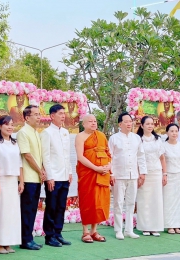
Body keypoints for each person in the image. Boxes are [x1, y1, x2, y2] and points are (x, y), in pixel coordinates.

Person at [0, 116, 24, 253]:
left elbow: (20, 164)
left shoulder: (15, 143)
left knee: (11, 214)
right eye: (6, 124)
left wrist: (21, 181)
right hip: (0, 180)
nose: (10, 127)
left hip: (12, 182)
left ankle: (8, 242)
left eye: (11, 124)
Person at [109, 112, 147, 240]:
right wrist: (111, 173)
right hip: (119, 175)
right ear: (120, 124)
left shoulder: (136, 138)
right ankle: (118, 229)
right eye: (126, 121)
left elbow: (141, 156)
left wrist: (142, 173)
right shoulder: (114, 138)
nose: (129, 123)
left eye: (130, 121)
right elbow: (110, 157)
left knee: (131, 203)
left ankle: (129, 230)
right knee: (118, 203)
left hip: (133, 175)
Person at [75, 114, 111, 243]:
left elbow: (108, 153)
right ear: (83, 124)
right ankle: (85, 232)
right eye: (90, 121)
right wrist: (96, 168)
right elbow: (80, 157)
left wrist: (108, 166)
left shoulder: (101, 136)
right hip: (88, 173)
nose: (93, 123)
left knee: (99, 202)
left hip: (102, 173)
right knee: (88, 200)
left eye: (95, 121)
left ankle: (94, 231)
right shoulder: (80, 136)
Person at [40, 104, 73, 247]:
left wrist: (70, 172)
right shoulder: (46, 133)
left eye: (64, 113)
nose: (63, 116)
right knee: (51, 207)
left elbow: (67, 155)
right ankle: (49, 236)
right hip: (54, 177)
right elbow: (45, 156)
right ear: (52, 116)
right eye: (60, 113)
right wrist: (49, 177)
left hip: (65, 175)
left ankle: (58, 233)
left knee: (61, 206)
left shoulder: (65, 132)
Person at [16, 105, 46, 250]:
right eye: (36, 114)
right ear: (27, 118)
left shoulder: (35, 132)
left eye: (39, 114)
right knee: (26, 210)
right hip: (28, 178)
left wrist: (42, 171)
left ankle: (29, 238)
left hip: (36, 177)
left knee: (33, 209)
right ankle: (25, 240)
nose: (39, 117)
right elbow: (27, 155)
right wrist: (40, 171)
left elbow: (39, 156)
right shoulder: (23, 132)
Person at [136, 116, 166, 237]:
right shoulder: (138, 139)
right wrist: (139, 174)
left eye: (151, 124)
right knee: (144, 200)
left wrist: (165, 173)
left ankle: (155, 227)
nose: (150, 126)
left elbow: (162, 158)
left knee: (156, 199)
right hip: (144, 173)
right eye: (147, 124)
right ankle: (145, 227)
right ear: (142, 125)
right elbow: (136, 158)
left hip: (156, 172)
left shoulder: (158, 139)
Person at [162, 123, 180, 235]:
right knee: (169, 200)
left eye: (176, 131)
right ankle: (169, 226)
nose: (174, 133)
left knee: (179, 201)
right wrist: (163, 174)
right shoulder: (163, 146)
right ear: (167, 133)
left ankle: (178, 225)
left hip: (179, 175)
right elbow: (161, 161)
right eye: (172, 131)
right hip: (168, 176)